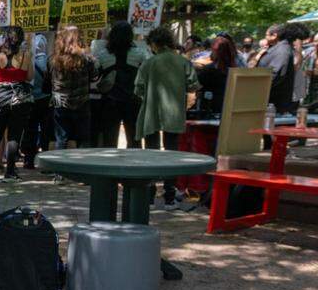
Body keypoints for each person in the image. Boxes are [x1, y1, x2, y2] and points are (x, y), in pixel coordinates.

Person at [135, 26, 200, 209]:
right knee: (172, 155)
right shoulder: (183, 62)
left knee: (151, 154)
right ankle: (170, 197)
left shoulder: (149, 63)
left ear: (154, 44)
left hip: (151, 114)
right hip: (174, 114)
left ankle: (149, 195)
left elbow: (138, 88)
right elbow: (194, 84)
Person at [0, 26, 34, 182]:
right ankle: (10, 172)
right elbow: (29, 77)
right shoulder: (25, 56)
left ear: (5, 38)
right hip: (19, 101)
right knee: (14, 136)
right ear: (21, 39)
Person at [94, 21, 148, 148]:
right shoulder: (140, 54)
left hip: (110, 102)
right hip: (133, 101)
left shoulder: (102, 55)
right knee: (134, 139)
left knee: (109, 139)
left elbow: (94, 74)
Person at [49, 25, 97, 150]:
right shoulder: (85, 59)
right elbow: (94, 75)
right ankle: (81, 166)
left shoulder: (54, 59)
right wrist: (85, 53)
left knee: (61, 139)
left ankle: (60, 167)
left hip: (60, 103)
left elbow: (48, 80)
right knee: (83, 139)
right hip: (82, 102)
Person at [20, 33, 51, 166]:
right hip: (45, 100)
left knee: (30, 129)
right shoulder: (49, 62)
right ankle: (45, 156)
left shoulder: (28, 60)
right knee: (46, 130)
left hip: (31, 99)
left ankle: (28, 158)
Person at [256, 24, 296, 113]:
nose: (265, 37)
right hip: (269, 99)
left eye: (266, 35)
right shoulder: (277, 48)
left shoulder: (282, 50)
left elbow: (276, 74)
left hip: (275, 103)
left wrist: (259, 88)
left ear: (274, 35)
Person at [195, 35, 238, 114]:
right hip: (230, 110)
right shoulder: (236, 71)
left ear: (215, 51)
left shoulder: (209, 70)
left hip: (211, 110)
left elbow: (197, 85)